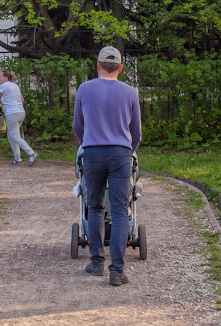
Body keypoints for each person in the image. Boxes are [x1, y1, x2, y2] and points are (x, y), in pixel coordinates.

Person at [73, 45, 141, 287]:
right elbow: (137, 132)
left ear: (98, 66)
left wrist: (87, 145)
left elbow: (77, 126)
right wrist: (128, 151)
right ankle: (117, 270)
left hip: (92, 152)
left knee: (95, 206)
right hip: (121, 153)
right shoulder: (130, 92)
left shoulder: (84, 89)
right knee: (121, 210)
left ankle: (96, 263)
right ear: (121, 68)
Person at [0, 68, 37, 166]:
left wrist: (1, 100)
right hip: (20, 112)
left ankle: (31, 153)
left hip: (12, 113)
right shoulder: (15, 86)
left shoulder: (3, 86)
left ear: (6, 77)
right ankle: (17, 158)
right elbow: (22, 100)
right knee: (11, 135)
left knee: (14, 136)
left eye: (0, 76)